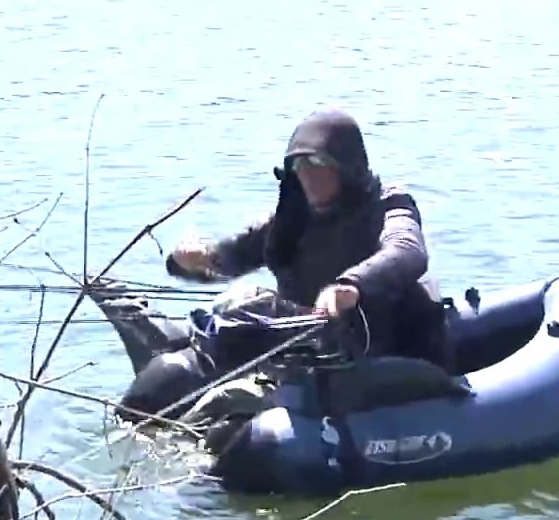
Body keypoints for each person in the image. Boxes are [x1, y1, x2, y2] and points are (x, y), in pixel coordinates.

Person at [168, 106, 450, 370]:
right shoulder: (290, 220)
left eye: (317, 160)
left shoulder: (388, 204)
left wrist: (351, 287)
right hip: (311, 348)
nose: (307, 173)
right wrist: (195, 260)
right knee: (240, 309)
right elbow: (230, 258)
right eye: (298, 164)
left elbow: (407, 250)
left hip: (388, 348)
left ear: (346, 164)